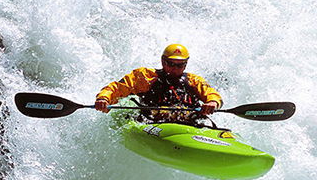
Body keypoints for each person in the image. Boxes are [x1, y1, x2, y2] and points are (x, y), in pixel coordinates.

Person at [95, 44, 223, 123]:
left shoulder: (194, 81)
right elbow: (117, 88)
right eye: (171, 64)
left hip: (188, 122)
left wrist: (212, 102)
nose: (175, 68)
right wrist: (104, 98)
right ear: (163, 61)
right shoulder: (145, 77)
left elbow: (212, 94)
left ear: (186, 64)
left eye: (180, 65)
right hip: (152, 122)